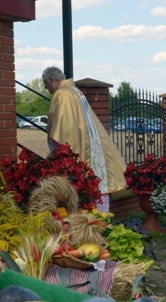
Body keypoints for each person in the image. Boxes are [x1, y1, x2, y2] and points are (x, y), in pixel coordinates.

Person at [42, 66, 127, 212]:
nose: (46, 89)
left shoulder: (62, 94)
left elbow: (64, 129)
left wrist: (58, 150)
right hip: (93, 145)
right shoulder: (76, 91)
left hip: (80, 148)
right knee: (97, 186)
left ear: (51, 80)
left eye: (46, 84)